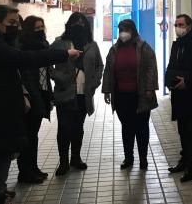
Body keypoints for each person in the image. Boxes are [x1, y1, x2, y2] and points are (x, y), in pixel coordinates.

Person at [0, 5, 80, 204]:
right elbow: (24, 59)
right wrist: (64, 54)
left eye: (17, 24)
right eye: (11, 23)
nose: (15, 28)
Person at [50, 13, 104, 176]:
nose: (79, 26)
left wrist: (94, 83)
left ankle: (76, 158)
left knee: (78, 128)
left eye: (82, 23)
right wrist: (58, 77)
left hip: (83, 94)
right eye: (76, 23)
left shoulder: (91, 45)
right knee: (64, 128)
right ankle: (63, 162)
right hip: (65, 93)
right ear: (69, 25)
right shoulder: (60, 43)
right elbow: (45, 62)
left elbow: (99, 65)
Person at [102, 19, 159, 171]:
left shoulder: (143, 47)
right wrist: (106, 90)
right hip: (121, 95)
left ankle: (143, 159)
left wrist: (150, 88)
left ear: (133, 31)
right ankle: (129, 157)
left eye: (126, 29)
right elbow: (108, 70)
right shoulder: (114, 50)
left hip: (140, 95)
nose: (123, 33)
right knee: (126, 127)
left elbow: (151, 68)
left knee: (141, 127)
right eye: (120, 30)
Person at [165, 14, 192, 182]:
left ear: (189, 26)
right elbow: (171, 66)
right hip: (179, 96)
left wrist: (188, 81)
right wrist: (169, 81)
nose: (177, 27)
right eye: (176, 24)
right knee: (182, 130)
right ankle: (184, 160)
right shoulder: (176, 46)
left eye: (181, 24)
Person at [16, 16, 54, 183]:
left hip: (43, 93)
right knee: (28, 135)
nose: (40, 30)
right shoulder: (22, 48)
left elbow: (47, 71)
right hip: (30, 96)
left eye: (41, 27)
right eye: (36, 28)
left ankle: (34, 168)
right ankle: (25, 172)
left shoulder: (44, 46)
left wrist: (50, 96)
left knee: (34, 135)